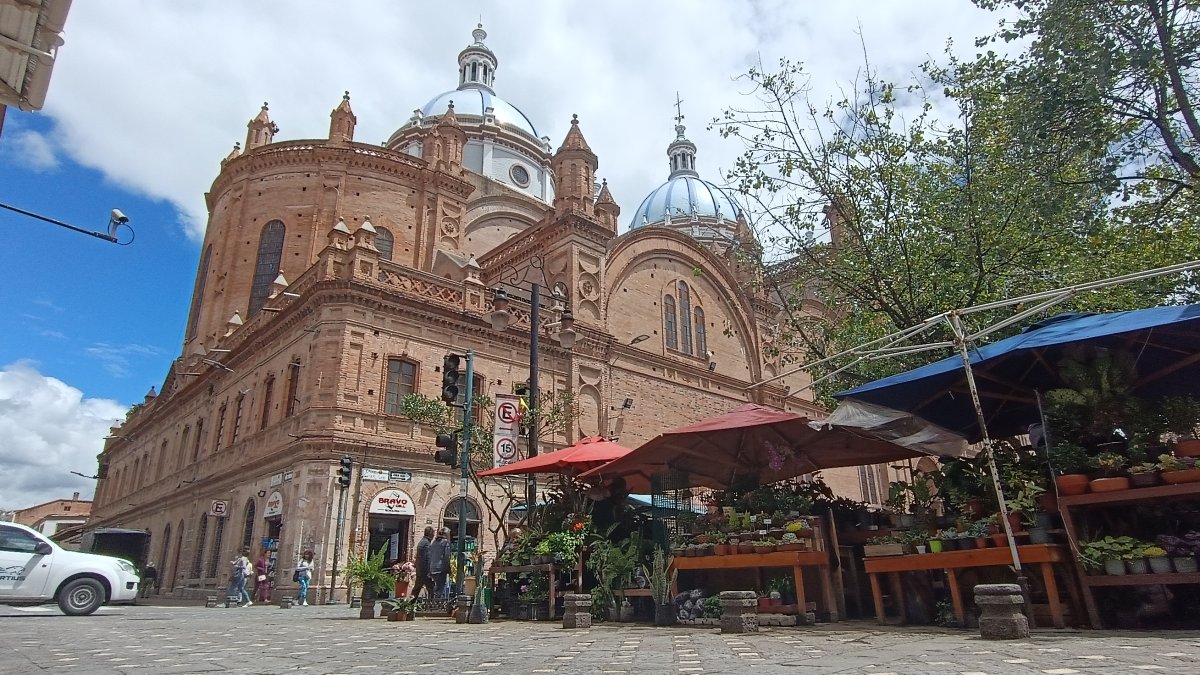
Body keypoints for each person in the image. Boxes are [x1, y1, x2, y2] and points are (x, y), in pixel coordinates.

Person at [428, 527, 452, 600]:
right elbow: (446, 557)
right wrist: (448, 569)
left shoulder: (434, 542)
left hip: (432, 568)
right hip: (440, 569)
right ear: (447, 534)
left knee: (435, 588)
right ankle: (437, 603)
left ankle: (432, 602)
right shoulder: (445, 543)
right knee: (440, 589)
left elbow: (430, 555)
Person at [411, 526, 434, 600]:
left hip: (420, 571)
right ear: (430, 534)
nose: (434, 535)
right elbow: (428, 558)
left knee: (416, 589)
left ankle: (409, 603)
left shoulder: (421, 542)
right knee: (432, 589)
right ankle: (433, 604)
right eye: (433, 533)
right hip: (425, 571)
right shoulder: (427, 544)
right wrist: (430, 572)